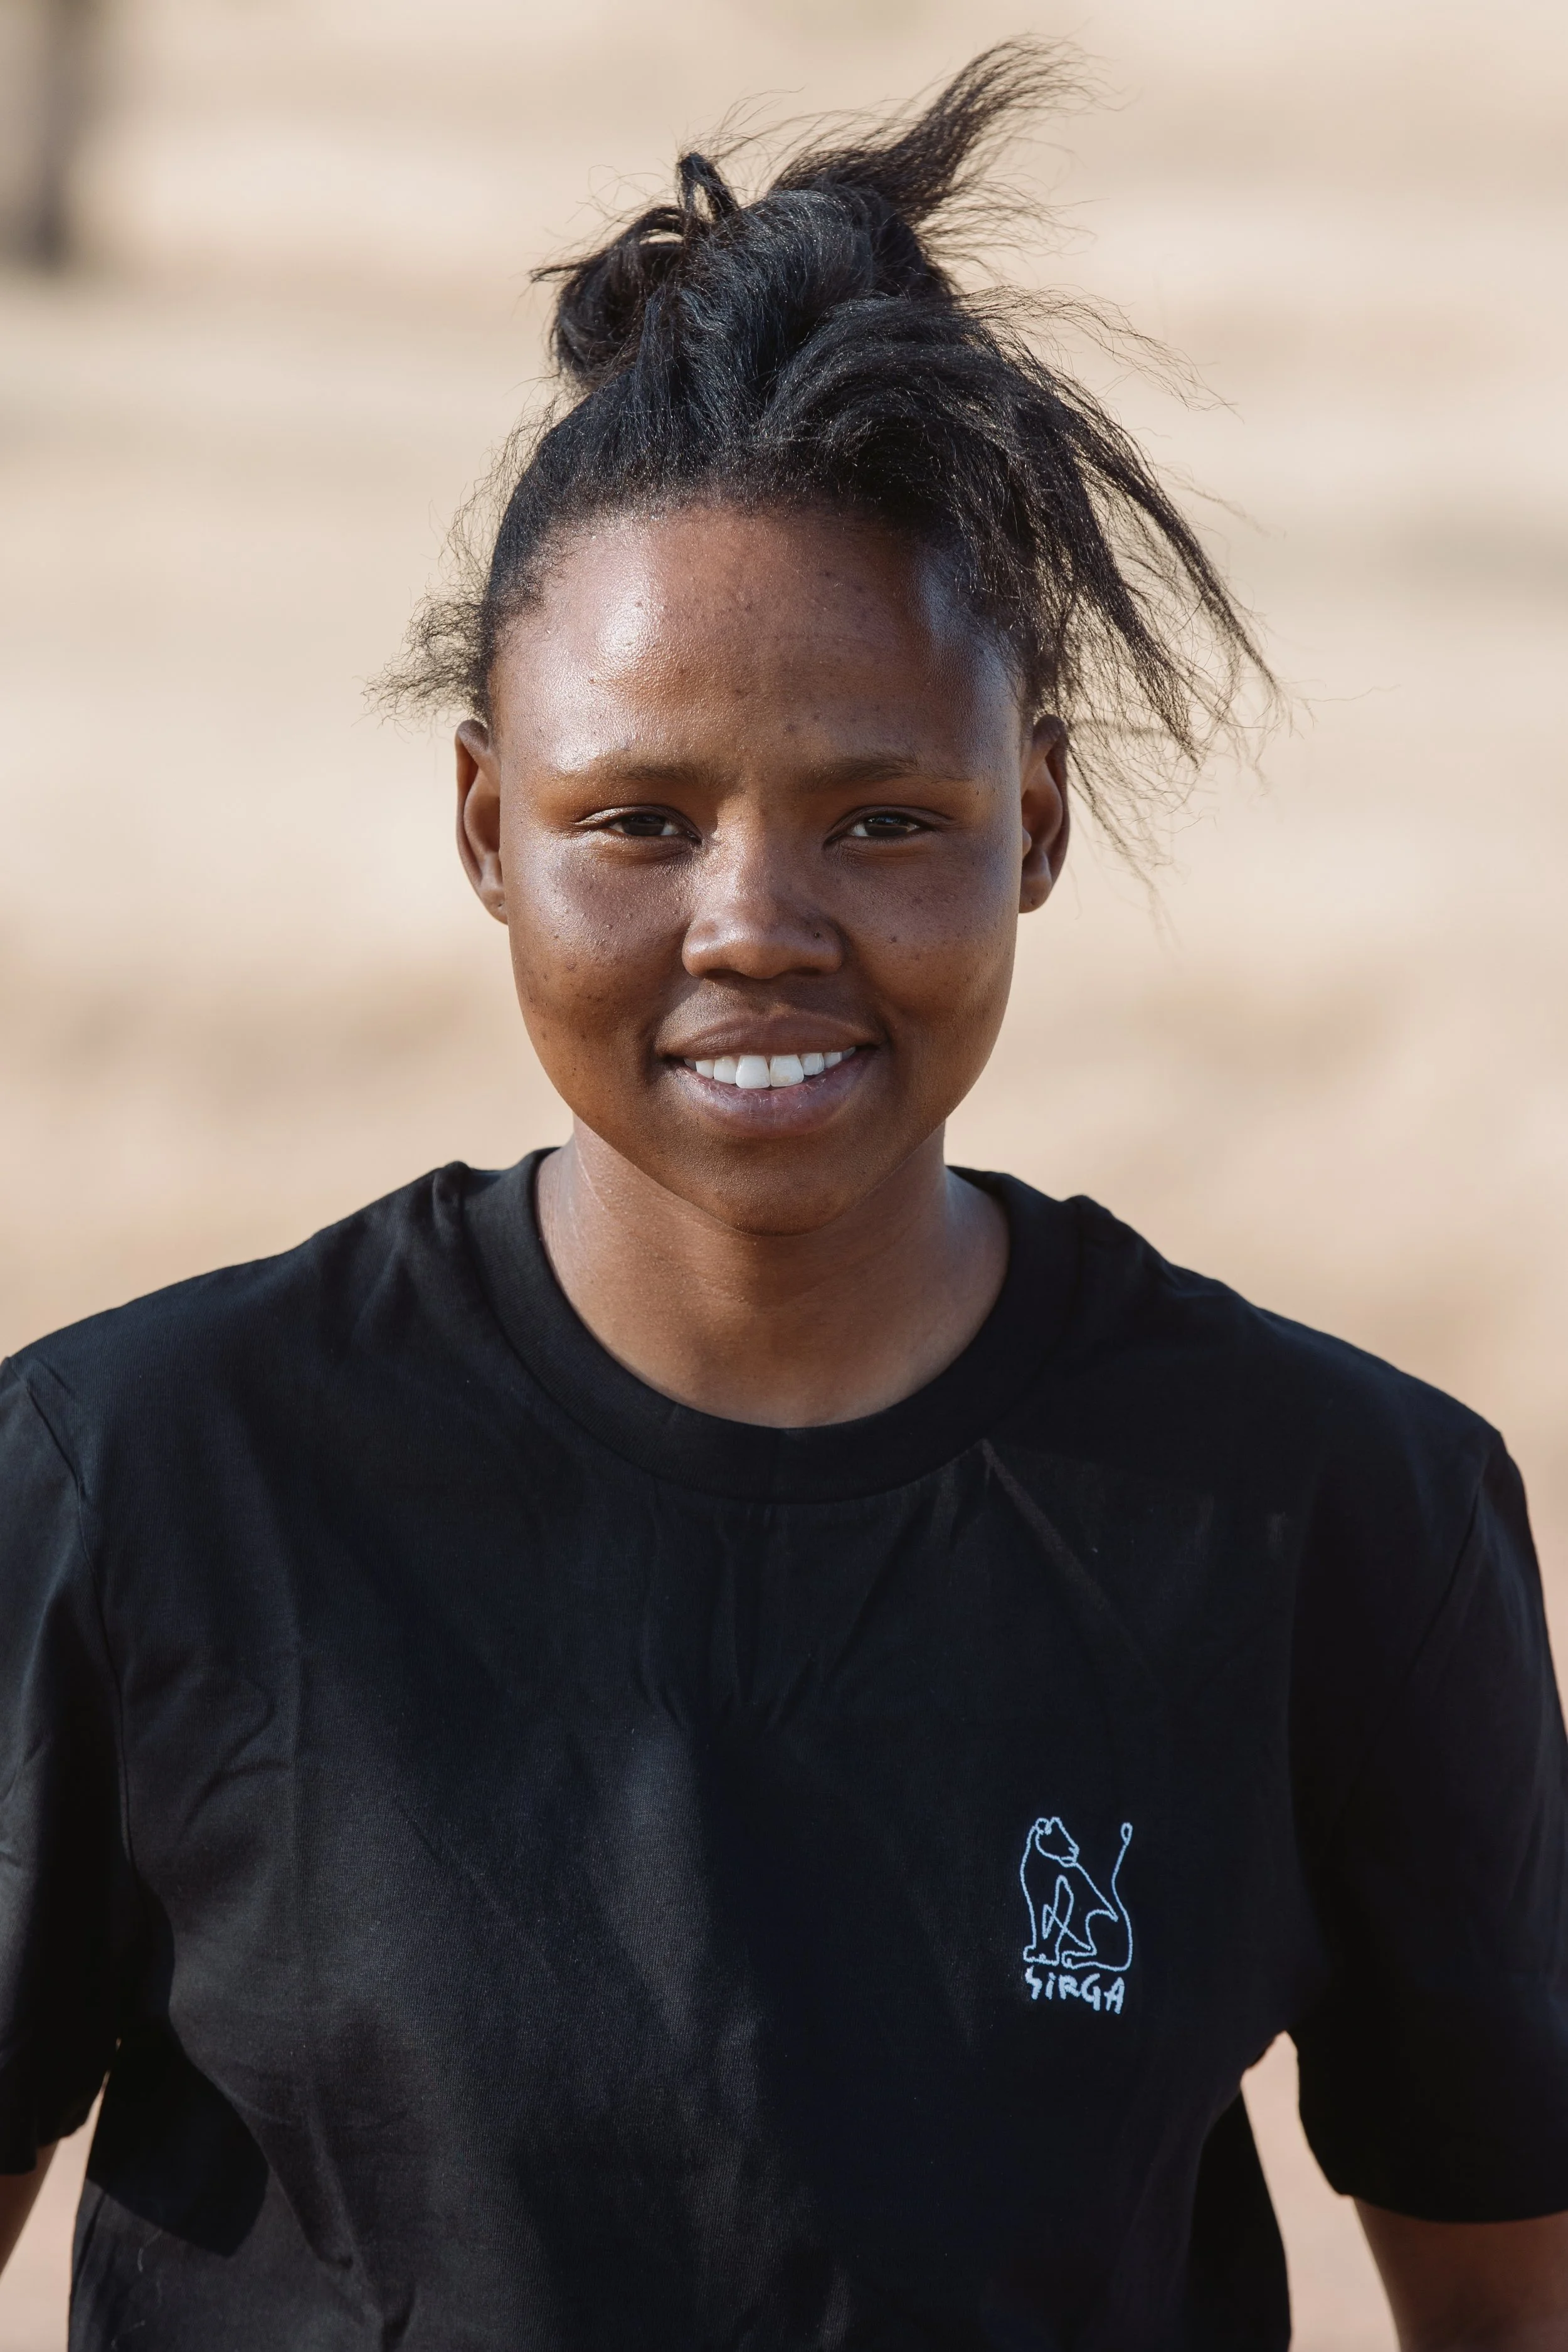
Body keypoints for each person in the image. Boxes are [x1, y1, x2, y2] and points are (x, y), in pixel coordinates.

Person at [2, 44, 1565, 2352]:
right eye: (636, 817)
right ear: (485, 827)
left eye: (882, 817)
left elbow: (1500, 2302)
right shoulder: (137, 1483)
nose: (755, 921)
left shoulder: (1333, 1518)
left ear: (1028, 817)